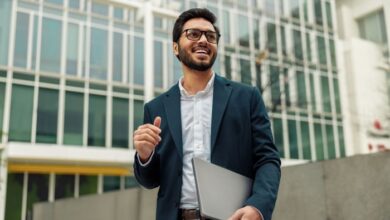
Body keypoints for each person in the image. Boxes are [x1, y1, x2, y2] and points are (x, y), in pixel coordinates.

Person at [133, 8, 281, 220]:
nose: (203, 40)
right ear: (175, 47)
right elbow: (150, 180)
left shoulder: (247, 97)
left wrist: (257, 206)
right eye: (193, 34)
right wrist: (145, 156)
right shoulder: (156, 109)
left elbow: (267, 159)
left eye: (210, 36)